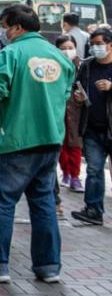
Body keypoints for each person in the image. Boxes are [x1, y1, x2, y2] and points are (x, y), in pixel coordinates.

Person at [0, 4, 75, 284]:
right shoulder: (59, 57)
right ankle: (49, 267)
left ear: (17, 27)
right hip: (50, 140)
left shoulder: (10, 54)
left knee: (1, 204)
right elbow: (66, 93)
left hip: (14, 141)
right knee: (44, 204)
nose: (2, 31)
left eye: (4, 25)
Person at [70, 28, 112, 225]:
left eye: (99, 44)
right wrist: (78, 97)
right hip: (92, 127)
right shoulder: (86, 65)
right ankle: (93, 209)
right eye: (93, 44)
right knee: (94, 170)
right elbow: (76, 86)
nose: (95, 48)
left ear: (110, 45)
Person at [55, 36, 84, 194]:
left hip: (76, 111)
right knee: (61, 144)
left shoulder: (82, 66)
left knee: (75, 144)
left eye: (70, 47)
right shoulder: (52, 66)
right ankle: (65, 172)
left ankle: (75, 176)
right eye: (63, 47)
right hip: (58, 110)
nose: (67, 51)